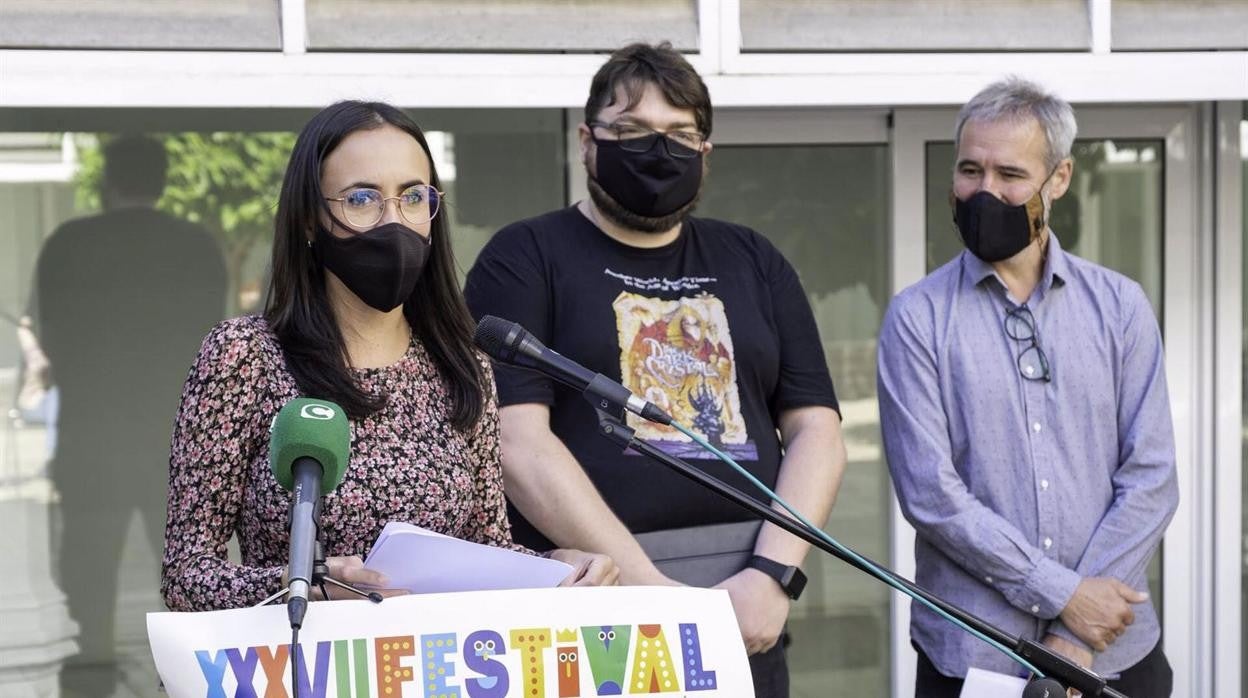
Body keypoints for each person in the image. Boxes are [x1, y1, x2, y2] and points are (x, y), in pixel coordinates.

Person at [464, 43, 847, 697]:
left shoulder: (754, 259)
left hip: (746, 602)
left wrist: (772, 575)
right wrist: (653, 593)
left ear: (706, 152)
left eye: (680, 135)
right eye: (632, 131)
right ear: (587, 141)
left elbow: (819, 431)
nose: (658, 151)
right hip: (597, 603)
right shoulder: (525, 257)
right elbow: (516, 443)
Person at [160, 101, 616, 613]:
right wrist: (303, 585)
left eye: (413, 197)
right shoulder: (243, 356)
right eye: (361, 198)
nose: (392, 221)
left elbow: (487, 549)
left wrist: (560, 566)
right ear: (310, 218)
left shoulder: (463, 366)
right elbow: (186, 575)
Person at [877, 77, 1177, 697]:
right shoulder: (917, 319)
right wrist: (1065, 595)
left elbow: (1151, 477)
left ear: (1058, 179)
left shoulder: (1119, 306)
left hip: (1115, 655)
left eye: (1010, 174)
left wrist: (1078, 633)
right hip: (972, 658)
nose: (985, 192)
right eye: (969, 170)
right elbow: (932, 495)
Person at [33, 134, 226, 690]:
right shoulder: (195, 245)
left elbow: (55, 341)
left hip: (91, 440)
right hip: (174, 443)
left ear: (108, 181)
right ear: (162, 181)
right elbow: (210, 349)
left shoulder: (68, 245)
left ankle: (89, 680)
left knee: (87, 583)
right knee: (190, 579)